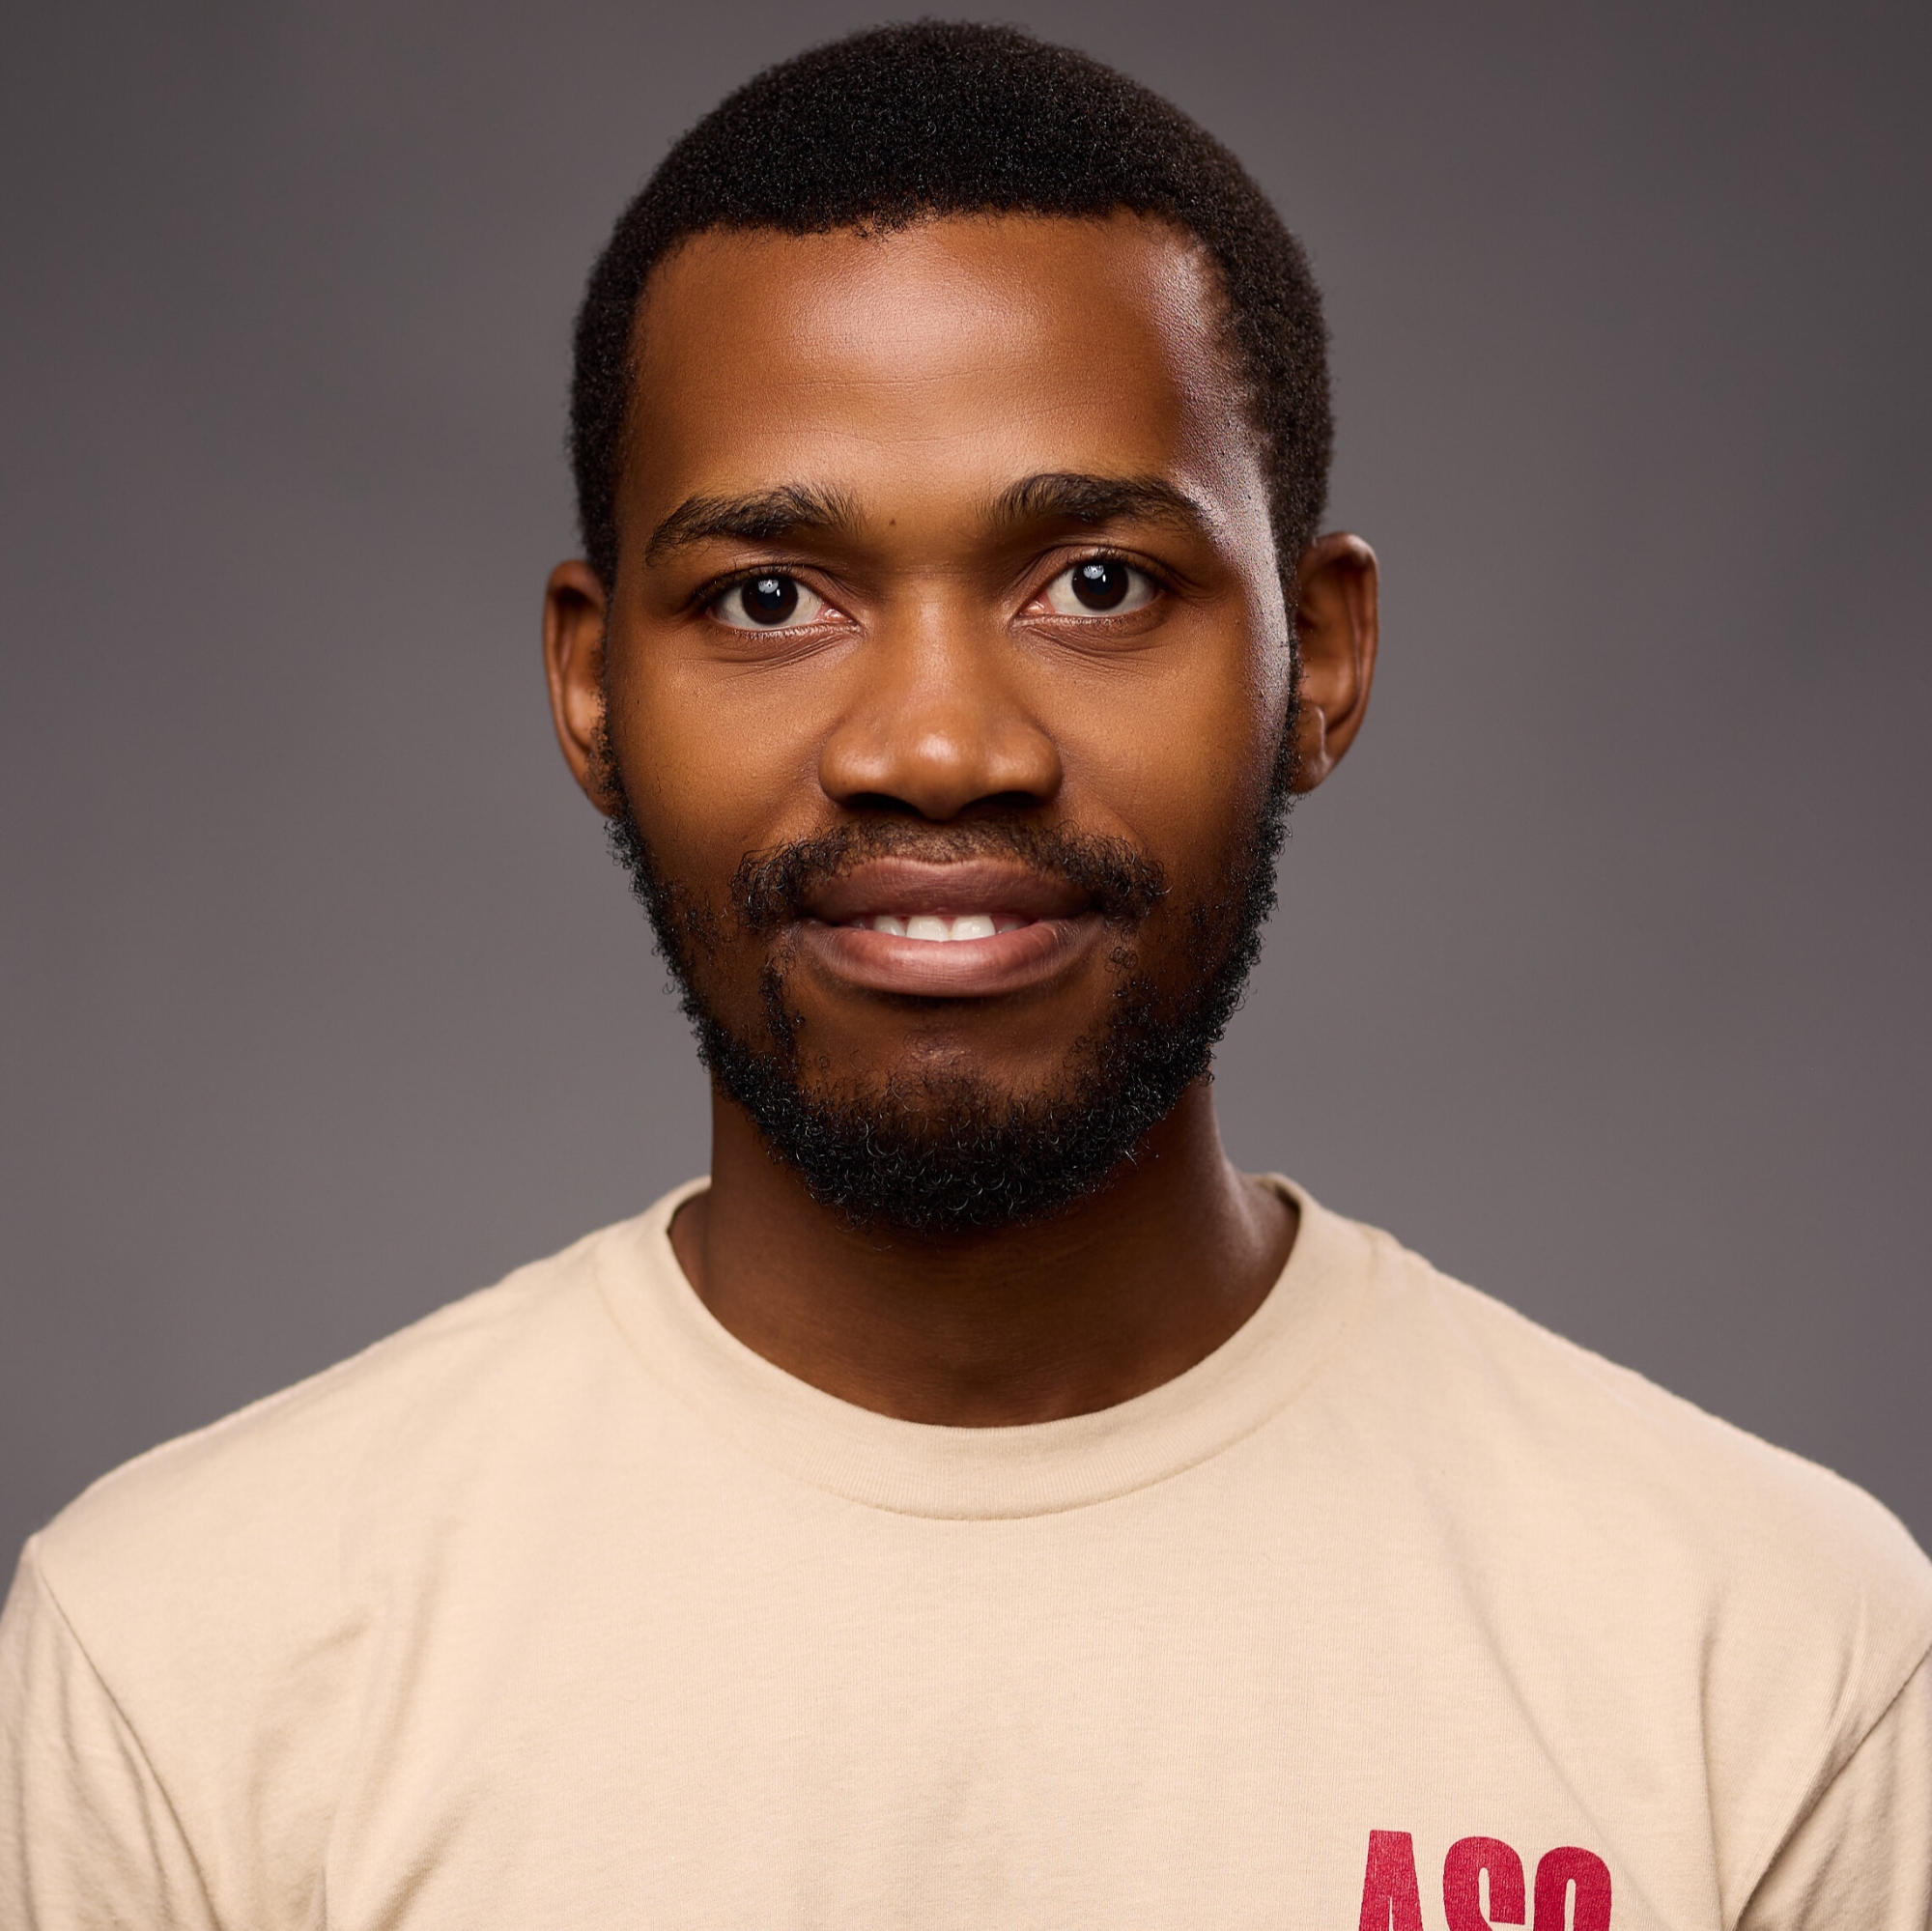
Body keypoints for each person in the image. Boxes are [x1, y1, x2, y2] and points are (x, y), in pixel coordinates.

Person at [2, 21, 1926, 1927]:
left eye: (1096, 581)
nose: (936, 745)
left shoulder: (1766, 1666)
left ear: (1320, 657)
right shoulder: (190, 1666)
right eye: (769, 596)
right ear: (593, 686)